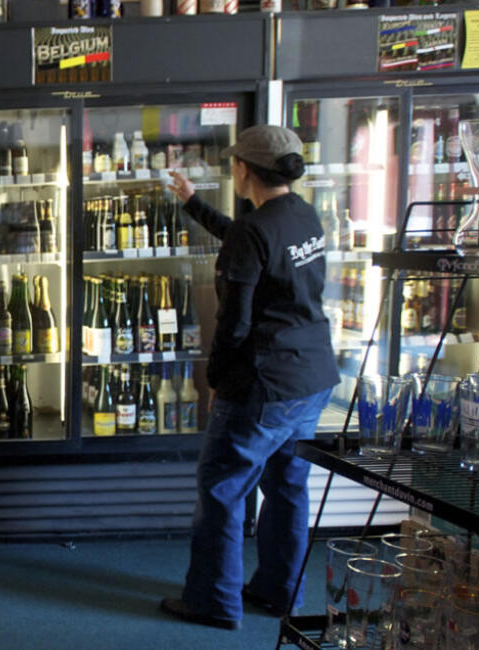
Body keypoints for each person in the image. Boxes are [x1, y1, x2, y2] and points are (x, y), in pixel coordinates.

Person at [159, 124, 339, 631]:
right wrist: (194, 204)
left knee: (222, 489)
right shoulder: (301, 215)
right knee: (287, 488)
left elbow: (233, 323)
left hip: (264, 384)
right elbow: (248, 243)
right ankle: (279, 591)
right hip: (311, 377)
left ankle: (213, 601)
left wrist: (215, 381)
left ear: (243, 169)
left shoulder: (252, 230)